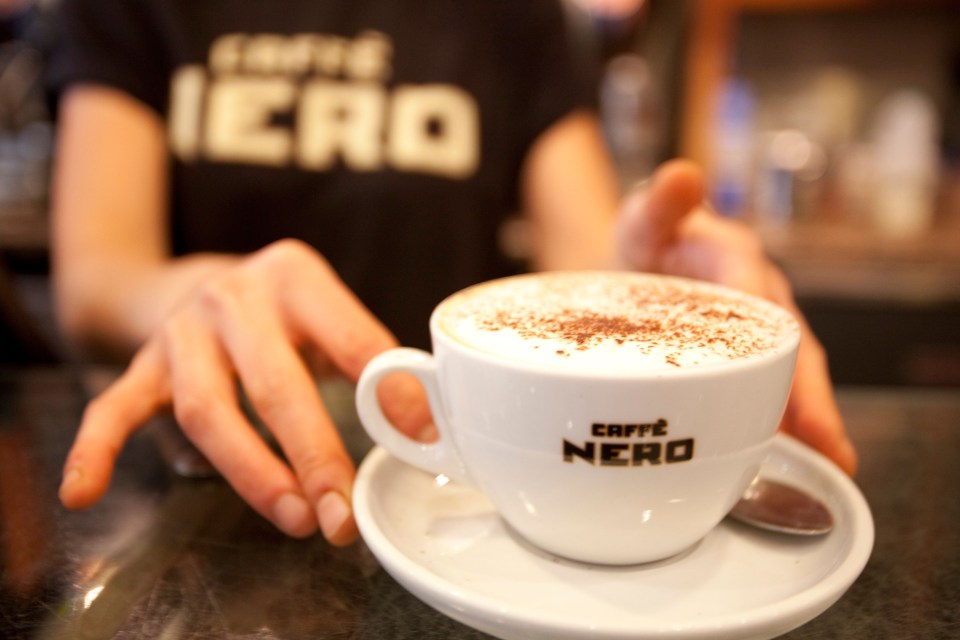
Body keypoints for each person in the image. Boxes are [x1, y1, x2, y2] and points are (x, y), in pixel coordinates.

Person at [49, 0, 857, 546]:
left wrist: (649, 285)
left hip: (459, 483)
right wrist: (203, 293)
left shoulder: (510, 12)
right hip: (207, 479)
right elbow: (94, 276)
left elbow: (580, 258)